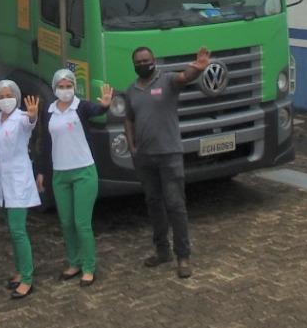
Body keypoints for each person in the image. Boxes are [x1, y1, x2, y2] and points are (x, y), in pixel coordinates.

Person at [121, 46, 209, 279]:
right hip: (145, 158)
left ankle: (183, 256)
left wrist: (197, 68)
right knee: (153, 203)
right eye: (138, 61)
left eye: (146, 60)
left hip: (169, 155)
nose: (143, 64)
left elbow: (185, 77)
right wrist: (132, 146)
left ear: (154, 60)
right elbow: (128, 120)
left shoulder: (167, 81)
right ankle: (162, 251)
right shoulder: (131, 90)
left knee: (175, 204)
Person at [35, 68, 111, 286]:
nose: (65, 90)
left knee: (81, 222)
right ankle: (74, 262)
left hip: (83, 171)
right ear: (54, 88)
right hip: (60, 173)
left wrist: (105, 104)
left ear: (74, 88)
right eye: (62, 86)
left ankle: (89, 266)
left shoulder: (82, 106)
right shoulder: (48, 111)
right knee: (66, 222)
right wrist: (41, 171)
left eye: (69, 86)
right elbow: (45, 143)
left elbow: (97, 110)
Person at [0, 79, 42, 299]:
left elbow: (30, 125)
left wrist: (33, 115)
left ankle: (27, 278)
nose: (5, 99)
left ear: (16, 96)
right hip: (2, 180)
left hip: (19, 179)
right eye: (1, 96)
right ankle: (19, 271)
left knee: (18, 230)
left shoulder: (22, 118)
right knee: (12, 231)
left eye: (9, 95)